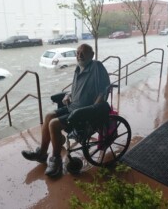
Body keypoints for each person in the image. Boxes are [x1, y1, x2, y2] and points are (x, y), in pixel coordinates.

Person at [21, 43, 110, 177]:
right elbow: (76, 89)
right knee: (48, 116)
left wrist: (94, 108)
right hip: (72, 107)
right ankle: (42, 153)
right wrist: (68, 95)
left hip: (84, 112)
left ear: (92, 55)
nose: (79, 55)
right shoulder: (78, 69)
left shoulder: (97, 67)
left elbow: (104, 90)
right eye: (78, 52)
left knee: (54, 124)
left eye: (83, 52)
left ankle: (56, 159)